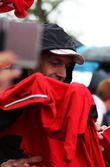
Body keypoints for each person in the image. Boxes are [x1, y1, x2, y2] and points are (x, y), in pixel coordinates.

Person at [0, 24, 104, 167]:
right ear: (31, 64)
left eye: (67, 66)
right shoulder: (6, 103)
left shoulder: (72, 104)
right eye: (55, 63)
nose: (63, 74)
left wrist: (90, 136)